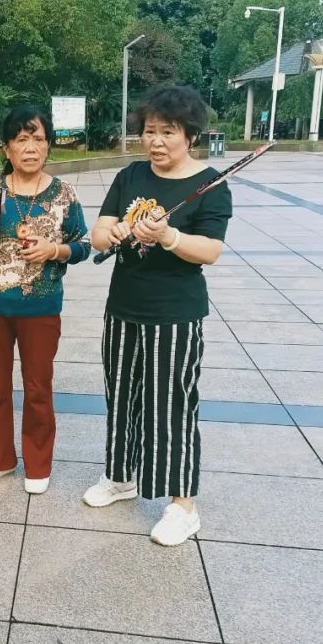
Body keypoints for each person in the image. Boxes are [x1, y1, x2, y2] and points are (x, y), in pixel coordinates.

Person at [83, 84, 233, 547]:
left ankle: (183, 506)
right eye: (150, 131)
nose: (157, 141)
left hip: (175, 314)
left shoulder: (210, 185)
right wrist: (116, 231)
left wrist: (169, 236)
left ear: (190, 135)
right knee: (121, 396)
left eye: (168, 132)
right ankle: (120, 476)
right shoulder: (130, 175)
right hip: (123, 308)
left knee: (171, 404)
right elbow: (99, 232)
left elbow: (210, 250)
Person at [0, 106, 89, 495]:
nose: (30, 148)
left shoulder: (63, 194)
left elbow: (83, 244)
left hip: (41, 306)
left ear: (48, 146)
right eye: (21, 140)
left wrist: (54, 250)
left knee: (38, 387)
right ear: (7, 148)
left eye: (38, 139)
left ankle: (38, 463)